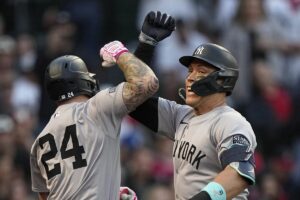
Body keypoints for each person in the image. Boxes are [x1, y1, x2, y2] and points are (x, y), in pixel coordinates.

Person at [131, 11, 257, 200]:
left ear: (222, 81)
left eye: (201, 71)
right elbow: (134, 101)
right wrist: (146, 45)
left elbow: (240, 173)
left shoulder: (231, 122)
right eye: (190, 70)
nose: (190, 77)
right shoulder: (181, 115)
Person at [29, 39, 159, 200]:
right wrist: (120, 54)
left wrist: (107, 191)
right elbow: (147, 83)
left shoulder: (39, 142)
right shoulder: (96, 108)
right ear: (83, 81)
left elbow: (47, 196)